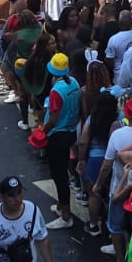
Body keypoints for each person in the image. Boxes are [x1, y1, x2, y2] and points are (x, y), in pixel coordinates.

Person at [39, 52, 81, 228]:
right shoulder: (74, 83)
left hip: (57, 136)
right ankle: (60, 206)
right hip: (71, 131)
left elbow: (54, 119)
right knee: (62, 172)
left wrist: (42, 132)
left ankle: (65, 216)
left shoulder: (56, 91)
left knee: (59, 176)